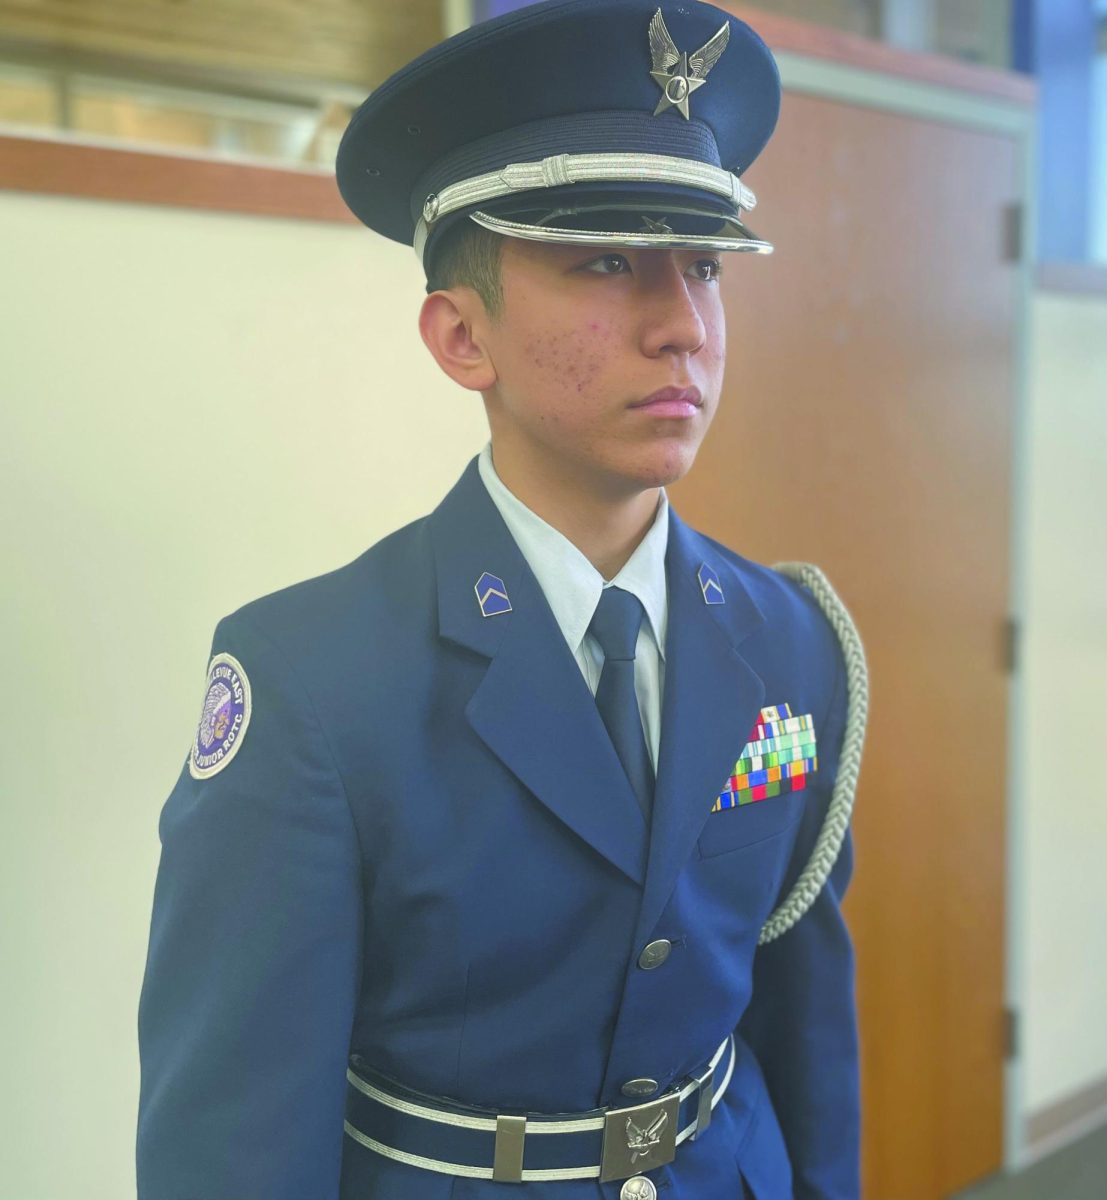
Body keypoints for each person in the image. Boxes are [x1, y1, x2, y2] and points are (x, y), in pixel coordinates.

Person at [136, 2, 868, 1198]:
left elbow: (804, 1030)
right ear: (461, 336)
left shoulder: (791, 648)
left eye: (703, 268)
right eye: (606, 262)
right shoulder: (315, 684)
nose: (682, 326)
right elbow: (232, 1136)